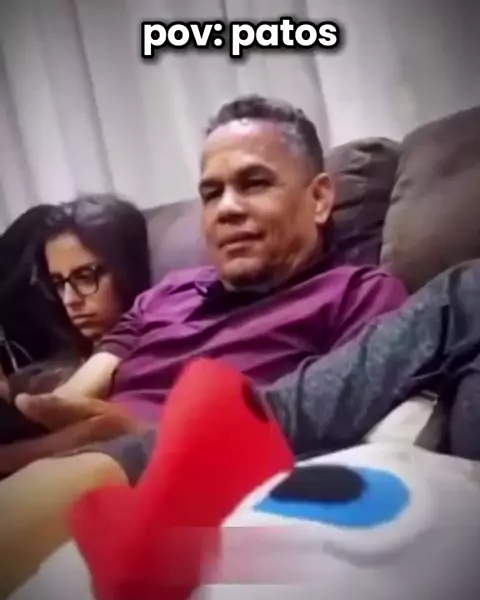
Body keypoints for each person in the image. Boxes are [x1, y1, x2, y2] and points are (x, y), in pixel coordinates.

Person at [15, 95, 406, 435]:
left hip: (150, 472)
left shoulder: (357, 294)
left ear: (319, 199)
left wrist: (132, 434)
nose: (226, 209)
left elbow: (332, 424)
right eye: (212, 193)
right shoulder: (165, 294)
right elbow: (74, 391)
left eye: (254, 183)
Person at [0, 194, 151, 473]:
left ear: (128, 269)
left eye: (85, 276)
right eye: (59, 283)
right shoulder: (35, 377)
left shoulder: (152, 357)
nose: (70, 300)